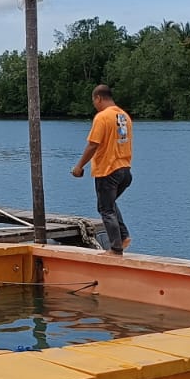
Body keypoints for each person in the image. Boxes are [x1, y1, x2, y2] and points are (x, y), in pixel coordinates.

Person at [71, 84, 133, 254]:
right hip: (125, 170)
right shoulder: (124, 116)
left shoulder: (102, 117)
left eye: (94, 100)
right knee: (109, 204)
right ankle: (123, 236)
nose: (94, 104)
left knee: (105, 209)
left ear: (98, 98)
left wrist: (79, 166)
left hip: (108, 169)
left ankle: (115, 249)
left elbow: (93, 145)